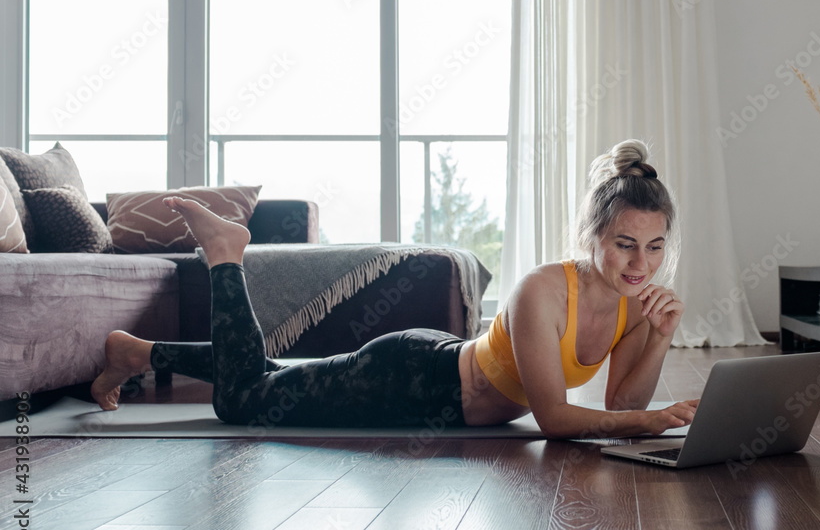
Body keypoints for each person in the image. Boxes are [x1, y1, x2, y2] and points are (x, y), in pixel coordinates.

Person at [91, 139, 699, 439]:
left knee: (273, 372)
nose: (640, 263)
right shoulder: (543, 291)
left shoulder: (639, 307)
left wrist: (660, 339)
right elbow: (553, 418)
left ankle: (134, 354)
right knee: (246, 399)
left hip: (441, 382)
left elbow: (622, 405)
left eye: (654, 247)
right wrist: (648, 424)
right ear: (592, 236)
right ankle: (226, 257)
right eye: (624, 244)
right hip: (411, 380)